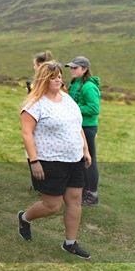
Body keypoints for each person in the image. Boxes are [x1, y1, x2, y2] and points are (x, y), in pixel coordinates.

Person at [18, 61, 92, 259]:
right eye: (53, 77)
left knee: (75, 200)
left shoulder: (67, 99)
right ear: (44, 79)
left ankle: (70, 243)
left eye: (60, 76)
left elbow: (78, 125)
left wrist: (85, 149)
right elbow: (26, 133)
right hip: (48, 160)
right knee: (52, 205)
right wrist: (34, 161)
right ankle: (24, 218)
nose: (59, 79)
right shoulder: (34, 104)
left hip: (74, 158)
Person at [66, 56, 101, 206]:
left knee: (89, 160)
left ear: (84, 69)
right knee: (80, 159)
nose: (72, 70)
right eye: (71, 67)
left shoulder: (89, 87)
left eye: (75, 68)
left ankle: (92, 195)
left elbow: (94, 109)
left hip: (87, 127)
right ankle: (82, 190)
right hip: (77, 125)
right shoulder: (75, 83)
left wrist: (73, 108)